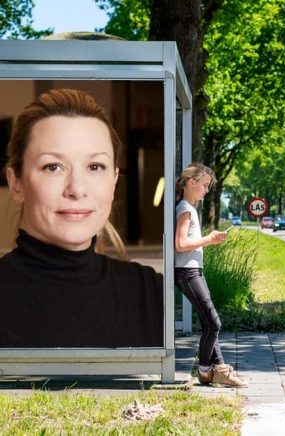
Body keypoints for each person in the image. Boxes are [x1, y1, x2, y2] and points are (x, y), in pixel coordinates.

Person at [0, 88, 163, 348]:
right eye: (53, 167)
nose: (76, 189)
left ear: (113, 182)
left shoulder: (154, 296)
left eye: (95, 167)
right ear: (16, 182)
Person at [175, 163, 247, 388]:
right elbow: (180, 244)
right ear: (191, 182)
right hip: (188, 272)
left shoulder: (188, 207)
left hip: (194, 270)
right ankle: (207, 370)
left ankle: (217, 370)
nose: (207, 190)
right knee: (213, 323)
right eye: (205, 185)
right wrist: (209, 239)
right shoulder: (185, 209)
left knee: (210, 321)